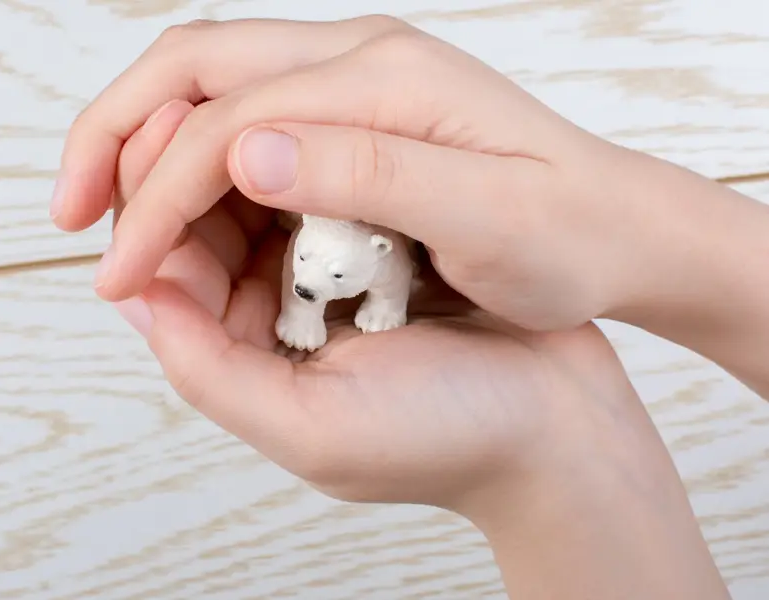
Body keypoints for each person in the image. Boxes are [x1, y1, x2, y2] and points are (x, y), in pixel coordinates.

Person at [48, 16, 769, 599]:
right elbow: (308, 276)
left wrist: (548, 453)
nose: (308, 281)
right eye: (306, 263)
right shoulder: (311, 252)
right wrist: (560, 440)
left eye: (324, 272)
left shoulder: (388, 263)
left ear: (384, 258)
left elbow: (364, 276)